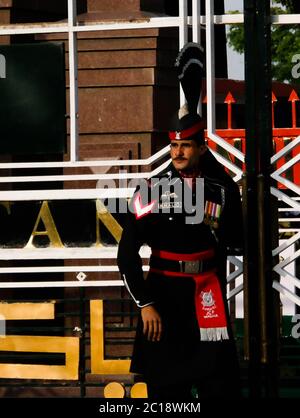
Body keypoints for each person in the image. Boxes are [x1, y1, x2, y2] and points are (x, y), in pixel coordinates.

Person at [117, 42, 243, 399]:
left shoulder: (220, 189)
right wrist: (145, 304)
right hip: (164, 302)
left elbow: (236, 240)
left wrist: (213, 166)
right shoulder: (151, 191)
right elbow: (126, 255)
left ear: (201, 148)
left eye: (186, 145)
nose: (178, 153)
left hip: (208, 295)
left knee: (220, 389)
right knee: (166, 395)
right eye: (173, 146)